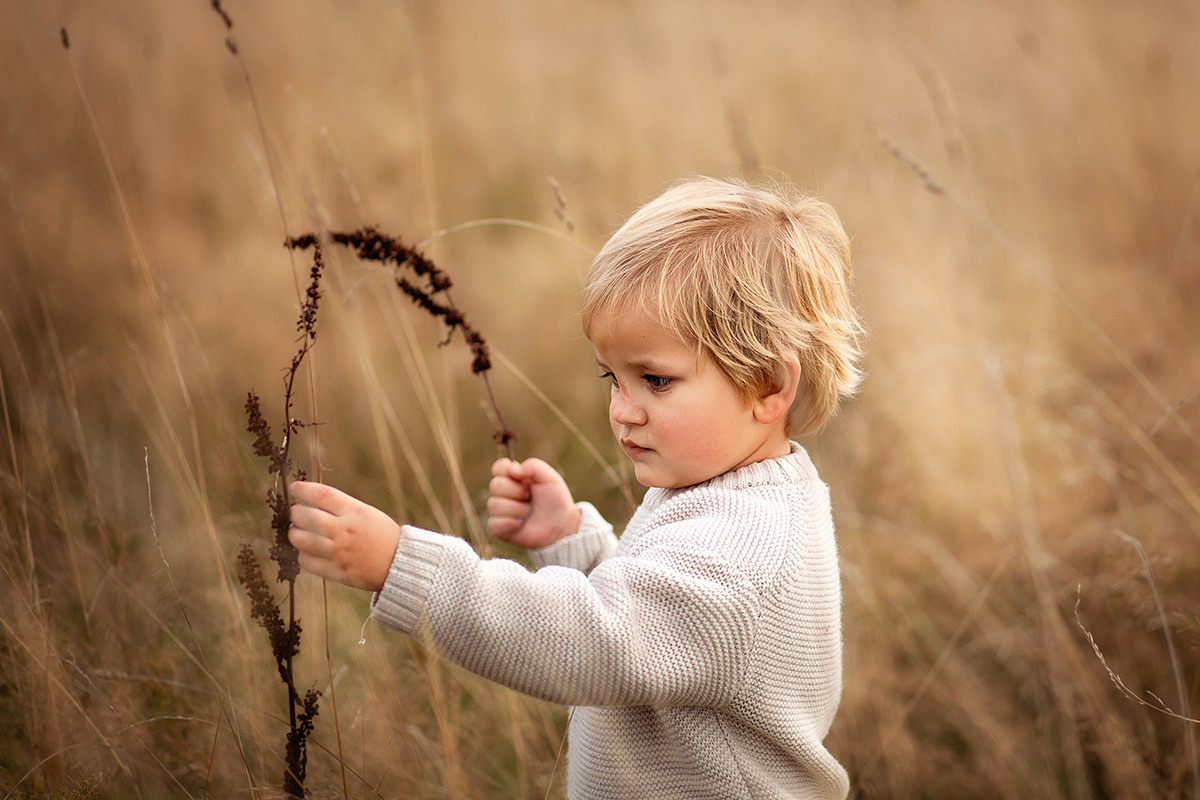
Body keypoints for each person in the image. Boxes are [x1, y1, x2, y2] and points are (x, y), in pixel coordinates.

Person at [288, 176, 864, 799]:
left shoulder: (742, 552)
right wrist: (571, 541)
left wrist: (402, 564)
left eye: (656, 381)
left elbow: (594, 641)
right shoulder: (743, 493)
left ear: (769, 386)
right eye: (612, 378)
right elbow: (658, 623)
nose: (622, 410)